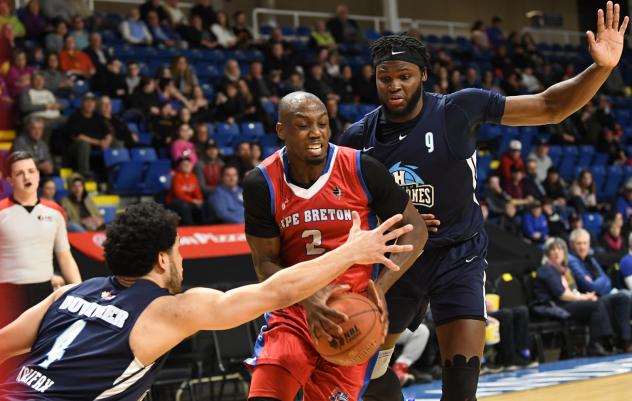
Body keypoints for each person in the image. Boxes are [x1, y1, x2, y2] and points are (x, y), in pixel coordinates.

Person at [338, 4, 629, 397]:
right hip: (399, 259)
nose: (394, 86)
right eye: (384, 78)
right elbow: (344, 210)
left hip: (459, 255)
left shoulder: (458, 109)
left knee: (460, 385)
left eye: (404, 76)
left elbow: (549, 106)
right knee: (365, 369)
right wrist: (392, 217)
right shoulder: (359, 137)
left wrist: (601, 69)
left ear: (423, 75)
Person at [0, 201, 414, 399]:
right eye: (178, 250)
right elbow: (277, 292)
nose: (181, 258)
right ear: (163, 259)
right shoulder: (167, 309)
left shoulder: (69, 293)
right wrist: (351, 252)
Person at [242, 91, 427, 401]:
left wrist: (379, 288)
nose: (316, 133)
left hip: (352, 314)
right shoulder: (261, 183)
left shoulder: (362, 169)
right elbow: (264, 263)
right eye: (303, 125)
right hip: (294, 313)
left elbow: (416, 229)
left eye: (322, 123)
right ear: (281, 131)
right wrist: (308, 298)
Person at [0, 151, 81, 330]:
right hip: (7, 293)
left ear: (38, 174)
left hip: (43, 292)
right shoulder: (1, 212)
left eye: (31, 171)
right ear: (10, 180)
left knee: (40, 349)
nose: (26, 176)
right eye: (19, 173)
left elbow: (65, 257)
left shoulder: (55, 211)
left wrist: (80, 292)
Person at [534, 237, 613, 356]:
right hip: (555, 306)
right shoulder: (546, 270)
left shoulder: (565, 270)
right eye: (553, 249)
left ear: (564, 252)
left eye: (560, 249)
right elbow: (562, 295)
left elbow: (572, 291)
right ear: (547, 253)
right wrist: (583, 298)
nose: (557, 252)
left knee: (598, 301)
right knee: (596, 305)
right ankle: (596, 344)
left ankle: (602, 341)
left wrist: (585, 295)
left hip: (567, 303)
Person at [567, 228, 632, 352]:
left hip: (600, 294)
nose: (582, 247)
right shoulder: (571, 260)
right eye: (578, 243)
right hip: (587, 298)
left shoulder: (590, 258)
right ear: (571, 245)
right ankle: (625, 341)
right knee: (623, 295)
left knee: (627, 295)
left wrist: (596, 282)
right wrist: (599, 282)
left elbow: (606, 280)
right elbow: (588, 286)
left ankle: (622, 339)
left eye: (585, 243)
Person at [166, 156, 204, 226]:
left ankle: (205, 227)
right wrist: (193, 201)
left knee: (204, 205)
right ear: (179, 167)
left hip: (189, 201)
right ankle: (189, 227)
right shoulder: (176, 177)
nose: (187, 166)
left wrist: (200, 200)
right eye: (184, 165)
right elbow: (179, 195)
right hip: (174, 201)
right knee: (184, 206)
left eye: (189, 164)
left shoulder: (193, 177)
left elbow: (197, 192)